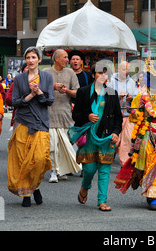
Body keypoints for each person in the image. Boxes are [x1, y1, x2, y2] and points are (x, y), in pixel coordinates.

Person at [114, 60, 156, 211]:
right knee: (151, 163)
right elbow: (134, 114)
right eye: (150, 78)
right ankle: (152, 195)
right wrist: (137, 112)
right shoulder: (142, 95)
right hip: (146, 134)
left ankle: (150, 186)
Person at [69, 63, 122, 211]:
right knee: (90, 170)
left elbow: (118, 118)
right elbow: (75, 115)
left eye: (105, 73)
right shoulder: (83, 92)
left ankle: (102, 201)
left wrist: (116, 133)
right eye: (100, 72)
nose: (103, 76)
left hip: (106, 138)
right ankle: (85, 187)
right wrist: (88, 116)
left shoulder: (112, 93)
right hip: (89, 138)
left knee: (104, 171)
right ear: (93, 75)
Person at [7, 47, 54, 207]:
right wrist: (31, 95)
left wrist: (39, 92)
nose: (31, 60)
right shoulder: (19, 79)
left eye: (34, 57)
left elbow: (49, 100)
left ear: (39, 60)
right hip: (23, 122)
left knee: (40, 159)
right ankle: (26, 194)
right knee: (23, 161)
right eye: (28, 57)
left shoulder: (47, 77)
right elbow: (14, 102)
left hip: (41, 123)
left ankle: (36, 186)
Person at [43, 49, 81, 183]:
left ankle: (61, 170)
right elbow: (39, 92)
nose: (67, 60)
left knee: (63, 145)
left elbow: (77, 93)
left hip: (65, 114)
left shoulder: (70, 73)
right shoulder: (46, 73)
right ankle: (53, 171)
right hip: (49, 114)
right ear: (56, 59)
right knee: (52, 146)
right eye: (64, 57)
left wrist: (67, 91)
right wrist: (52, 87)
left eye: (67, 57)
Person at [107, 61, 138, 166]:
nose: (127, 72)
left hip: (127, 116)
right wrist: (117, 98)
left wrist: (131, 97)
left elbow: (136, 97)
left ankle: (124, 164)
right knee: (115, 141)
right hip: (115, 116)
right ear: (119, 69)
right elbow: (107, 96)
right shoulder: (111, 81)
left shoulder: (132, 82)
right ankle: (109, 156)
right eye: (124, 69)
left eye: (128, 69)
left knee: (127, 140)